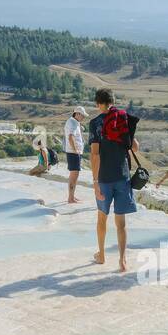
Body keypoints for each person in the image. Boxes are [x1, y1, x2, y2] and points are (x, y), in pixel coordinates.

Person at [89, 88, 140, 271]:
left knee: (102, 218)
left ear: (98, 103)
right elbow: (135, 147)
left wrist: (95, 182)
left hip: (103, 178)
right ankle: (122, 260)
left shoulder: (95, 123)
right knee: (121, 222)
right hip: (123, 176)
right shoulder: (123, 118)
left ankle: (101, 255)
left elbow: (95, 155)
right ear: (112, 101)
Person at [64, 106, 86, 203]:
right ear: (77, 114)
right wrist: (75, 150)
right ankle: (71, 198)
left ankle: (72, 196)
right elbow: (70, 137)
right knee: (74, 175)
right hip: (73, 153)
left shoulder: (74, 122)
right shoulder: (72, 122)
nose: (83, 117)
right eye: (82, 115)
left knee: (75, 176)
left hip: (74, 153)